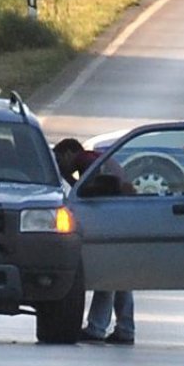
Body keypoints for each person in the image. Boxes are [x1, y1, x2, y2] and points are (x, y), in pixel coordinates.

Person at [52, 138, 135, 345]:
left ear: (69, 153)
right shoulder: (94, 160)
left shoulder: (87, 161)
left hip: (112, 219)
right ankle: (125, 329)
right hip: (124, 217)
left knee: (106, 276)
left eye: (60, 160)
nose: (61, 166)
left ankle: (97, 327)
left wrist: (67, 178)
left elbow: (87, 194)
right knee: (121, 279)